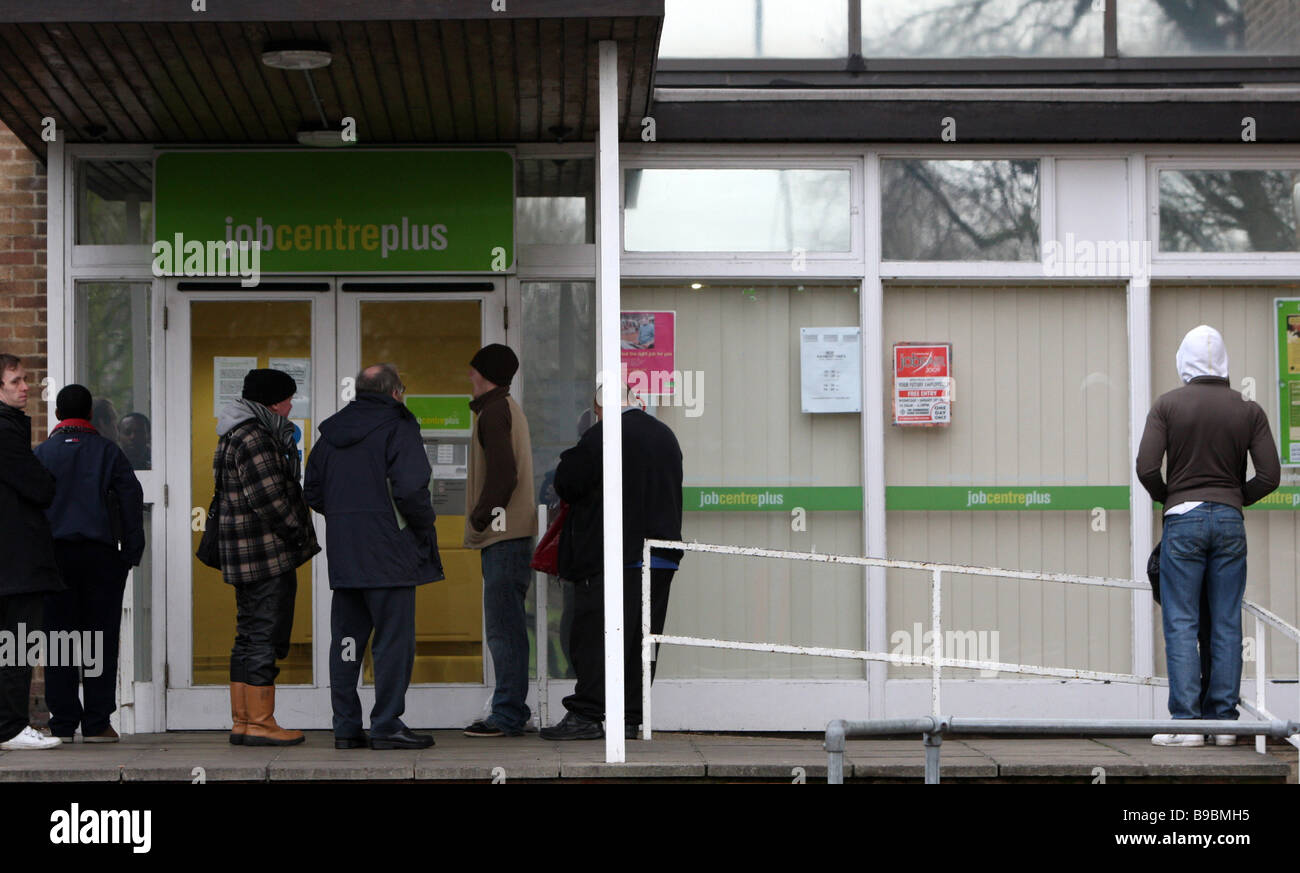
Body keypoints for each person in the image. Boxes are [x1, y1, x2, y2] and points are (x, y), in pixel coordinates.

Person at [1136, 325, 1279, 747]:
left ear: (1184, 360)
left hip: (1184, 521)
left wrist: (1173, 500)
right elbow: (1269, 476)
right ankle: (1225, 724)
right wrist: (1235, 498)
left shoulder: (1167, 405)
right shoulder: (1248, 409)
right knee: (1226, 620)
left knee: (1182, 620)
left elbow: (1146, 468)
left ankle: (1187, 722)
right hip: (1231, 522)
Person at [305, 363, 441, 750]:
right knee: (392, 643)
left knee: (346, 641)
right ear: (396, 392)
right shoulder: (399, 427)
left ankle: (346, 726)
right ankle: (386, 723)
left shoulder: (331, 434)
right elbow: (412, 489)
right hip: (390, 555)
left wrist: (347, 519)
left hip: (346, 556)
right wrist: (421, 523)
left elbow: (312, 490)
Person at [541, 383, 684, 741]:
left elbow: (568, 482)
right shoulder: (665, 436)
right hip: (661, 557)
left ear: (599, 408)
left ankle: (587, 714)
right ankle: (631, 716)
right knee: (641, 640)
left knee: (594, 636)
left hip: (614, 556)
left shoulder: (603, 435)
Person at [35, 385, 145, 743]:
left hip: (53, 560)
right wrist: (129, 553)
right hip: (100, 558)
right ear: (90, 416)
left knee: (58, 641)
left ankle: (63, 723)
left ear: (57, 415)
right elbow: (131, 499)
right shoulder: (108, 452)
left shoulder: (42, 455)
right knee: (99, 639)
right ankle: (97, 723)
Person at [215, 368, 319, 746]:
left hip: (244, 552)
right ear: (274, 401)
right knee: (264, 635)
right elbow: (270, 499)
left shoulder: (234, 432)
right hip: (264, 553)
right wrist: (296, 530)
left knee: (247, 635)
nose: (292, 405)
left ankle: (243, 720)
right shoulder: (256, 436)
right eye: (289, 398)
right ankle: (260, 721)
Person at [462, 344, 537, 738]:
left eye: (474, 371)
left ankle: (507, 714)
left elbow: (503, 476)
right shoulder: (505, 408)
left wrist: (479, 515)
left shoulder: (493, 413)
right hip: (511, 533)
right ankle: (512, 709)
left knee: (503, 629)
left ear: (484, 373)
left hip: (504, 535)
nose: (469, 377)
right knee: (509, 627)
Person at [0, 354, 64, 751]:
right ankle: (10, 727)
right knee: (17, 643)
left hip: (11, 560)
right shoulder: (5, 434)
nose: (26, 387)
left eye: (25, 380)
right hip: (14, 561)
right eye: (16, 381)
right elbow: (41, 487)